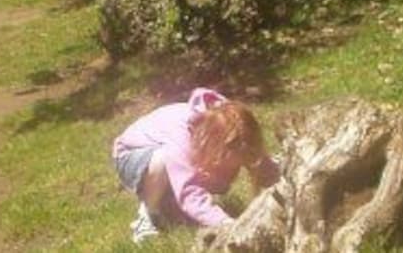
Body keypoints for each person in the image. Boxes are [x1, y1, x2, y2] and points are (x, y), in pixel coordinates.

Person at [112, 88, 279, 243]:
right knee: (161, 160)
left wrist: (276, 176)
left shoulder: (232, 122)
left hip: (177, 155)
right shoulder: (180, 138)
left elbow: (255, 156)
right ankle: (149, 214)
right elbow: (189, 193)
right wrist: (227, 224)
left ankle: (168, 203)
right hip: (131, 157)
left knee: (216, 182)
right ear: (210, 142)